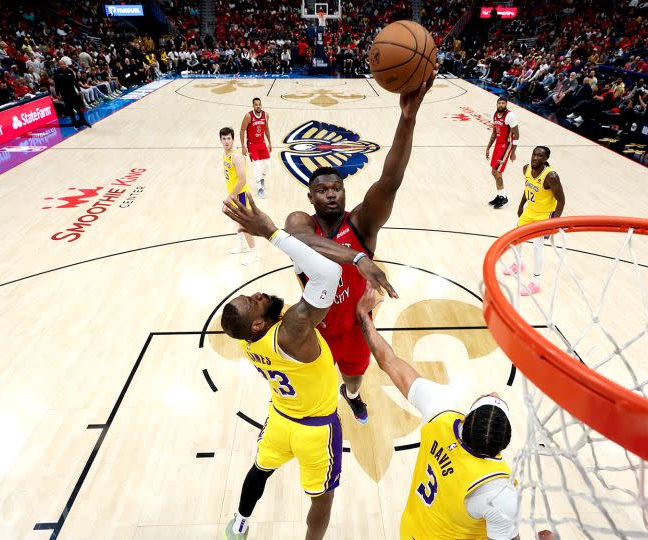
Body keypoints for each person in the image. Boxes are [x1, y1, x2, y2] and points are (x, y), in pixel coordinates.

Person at [218, 194, 391, 540]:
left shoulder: (247, 340)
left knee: (259, 470)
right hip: (316, 430)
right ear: (256, 324)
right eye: (254, 302)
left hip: (281, 418)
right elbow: (328, 272)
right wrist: (270, 232)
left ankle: (239, 523)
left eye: (252, 294)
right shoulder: (293, 328)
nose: (259, 295)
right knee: (322, 501)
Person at [284, 70, 436, 425]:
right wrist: (357, 259)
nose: (331, 193)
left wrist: (407, 119)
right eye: (322, 190)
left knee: (353, 380)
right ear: (310, 196)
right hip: (314, 326)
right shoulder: (299, 222)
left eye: (336, 187)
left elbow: (390, 180)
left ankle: (351, 396)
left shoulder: (361, 223)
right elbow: (304, 242)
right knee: (313, 388)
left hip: (355, 324)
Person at [354, 288, 519, 539]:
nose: (495, 393)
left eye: (490, 399)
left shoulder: (441, 410)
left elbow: (389, 362)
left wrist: (363, 316)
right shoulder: (499, 490)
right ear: (503, 444)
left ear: (468, 419)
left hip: (410, 530)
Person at [505, 146, 566, 296]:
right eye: (534, 154)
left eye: (540, 156)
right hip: (529, 212)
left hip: (544, 216)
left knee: (536, 247)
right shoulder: (526, 169)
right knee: (516, 238)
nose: (535, 158)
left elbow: (561, 201)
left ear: (546, 159)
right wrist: (521, 205)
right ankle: (518, 263)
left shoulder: (551, 176)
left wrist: (554, 222)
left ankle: (536, 282)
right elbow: (527, 189)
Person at [219, 126, 259, 265]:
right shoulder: (225, 153)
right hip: (233, 193)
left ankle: (253, 253)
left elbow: (242, 179)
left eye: (228, 138)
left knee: (245, 224)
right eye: (223, 139)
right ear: (220, 140)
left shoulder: (236, 156)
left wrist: (231, 196)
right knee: (235, 221)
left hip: (240, 195)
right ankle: (242, 244)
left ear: (233, 139)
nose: (226, 141)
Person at [485, 95, 519, 209]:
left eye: (503, 103)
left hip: (506, 145)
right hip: (498, 145)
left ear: (506, 104)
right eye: (499, 103)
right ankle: (500, 195)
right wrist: (488, 147)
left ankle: (503, 196)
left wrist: (513, 152)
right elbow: (494, 133)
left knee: (496, 171)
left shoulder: (510, 116)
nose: (501, 105)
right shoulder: (495, 114)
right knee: (494, 172)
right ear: (497, 104)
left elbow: (517, 135)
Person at [239, 98, 272, 199]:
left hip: (262, 143)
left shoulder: (266, 115)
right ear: (253, 106)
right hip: (252, 145)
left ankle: (261, 178)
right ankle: (259, 188)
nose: (258, 106)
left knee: (268, 165)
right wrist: (243, 146)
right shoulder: (248, 116)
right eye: (256, 105)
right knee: (256, 166)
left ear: (261, 105)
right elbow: (242, 131)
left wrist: (269, 142)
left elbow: (266, 129)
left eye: (259, 104)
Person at [53, 60, 91, 129]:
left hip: (72, 92)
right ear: (59, 65)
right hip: (64, 94)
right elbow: (56, 84)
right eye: (60, 64)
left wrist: (79, 90)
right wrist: (58, 94)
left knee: (78, 108)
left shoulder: (70, 71)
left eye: (63, 64)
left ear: (65, 64)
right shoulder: (57, 72)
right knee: (70, 109)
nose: (62, 65)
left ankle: (83, 121)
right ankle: (74, 122)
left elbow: (75, 81)